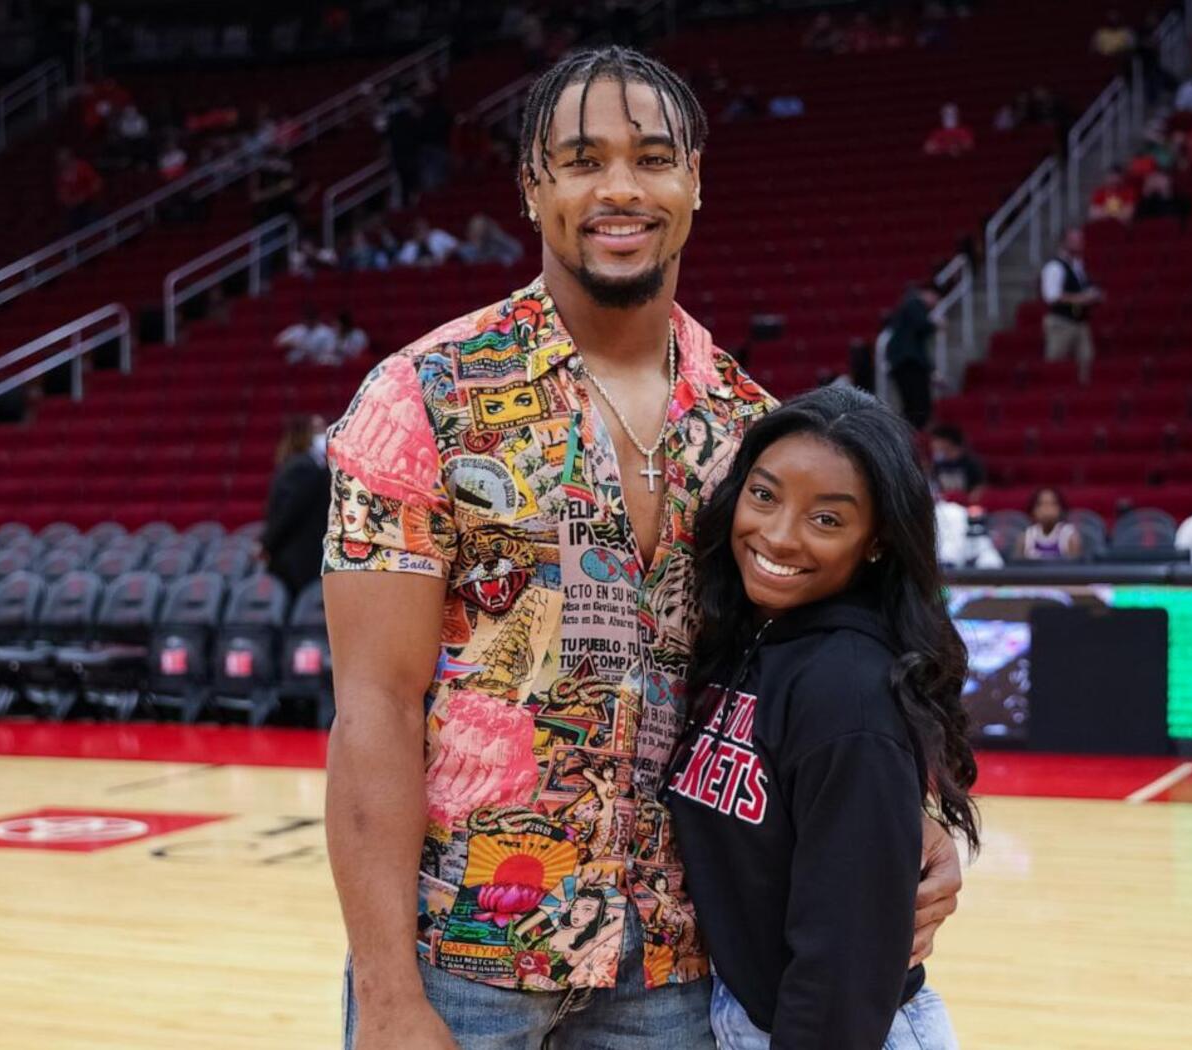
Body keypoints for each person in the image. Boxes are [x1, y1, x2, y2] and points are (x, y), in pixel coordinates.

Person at [323, 46, 963, 1050]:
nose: (619, 188)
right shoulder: (421, 402)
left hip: (677, 969)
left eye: (652, 157)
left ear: (695, 181)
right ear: (533, 188)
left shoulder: (752, 428)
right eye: (581, 160)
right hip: (463, 966)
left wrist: (907, 807)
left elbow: (822, 660)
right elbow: (371, 708)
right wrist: (389, 996)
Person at [669, 385, 975, 1049]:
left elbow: (847, 953)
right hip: (753, 1013)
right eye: (765, 496)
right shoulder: (748, 641)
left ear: (876, 541)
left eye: (827, 520)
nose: (779, 535)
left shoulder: (849, 691)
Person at [260, 414, 332, 595]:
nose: (324, 433)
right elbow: (287, 514)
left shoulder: (309, 465)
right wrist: (266, 544)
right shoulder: (302, 467)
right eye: (317, 430)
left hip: (301, 556)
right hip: (296, 559)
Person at [1041, 226, 1101, 385]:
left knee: (1086, 363)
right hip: (1062, 323)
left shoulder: (1077, 265)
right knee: (1055, 364)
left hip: (1080, 322)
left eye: (1081, 239)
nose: (1080, 242)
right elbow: (1052, 296)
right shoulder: (1054, 266)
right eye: (1076, 239)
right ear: (1064, 242)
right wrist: (1082, 298)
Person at [880, 284, 939, 428]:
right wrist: (936, 325)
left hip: (904, 362)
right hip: (908, 363)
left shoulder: (908, 309)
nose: (936, 302)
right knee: (918, 405)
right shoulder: (914, 304)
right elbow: (922, 326)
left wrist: (931, 369)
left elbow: (918, 344)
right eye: (936, 297)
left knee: (913, 406)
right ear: (928, 293)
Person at [1019, 487, 1083, 561]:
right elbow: (1016, 569)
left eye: (1052, 504)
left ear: (1061, 509)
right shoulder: (1025, 538)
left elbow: (1076, 569)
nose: (1047, 508)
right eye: (1041, 504)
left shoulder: (1070, 537)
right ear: (1033, 510)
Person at [928, 424, 987, 503]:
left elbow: (979, 489)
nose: (932, 444)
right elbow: (935, 488)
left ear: (946, 441)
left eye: (935, 440)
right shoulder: (938, 464)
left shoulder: (971, 463)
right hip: (945, 506)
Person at [54, 147, 104, 232]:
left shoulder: (83, 167)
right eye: (62, 162)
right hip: (75, 211)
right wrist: (74, 200)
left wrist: (85, 195)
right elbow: (65, 198)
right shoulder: (61, 179)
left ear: (71, 158)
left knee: (93, 217)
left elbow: (97, 184)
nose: (64, 163)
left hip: (91, 203)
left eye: (66, 160)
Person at [457, 213, 526, 267]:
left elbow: (517, 251)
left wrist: (498, 235)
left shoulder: (498, 245)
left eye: (481, 227)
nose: (478, 230)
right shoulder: (465, 249)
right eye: (475, 227)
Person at [396, 217, 461, 267]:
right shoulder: (409, 245)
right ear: (414, 232)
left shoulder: (437, 235)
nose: (422, 232)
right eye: (418, 230)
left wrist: (443, 257)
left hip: (441, 271)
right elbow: (400, 264)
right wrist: (418, 263)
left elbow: (458, 245)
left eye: (423, 228)